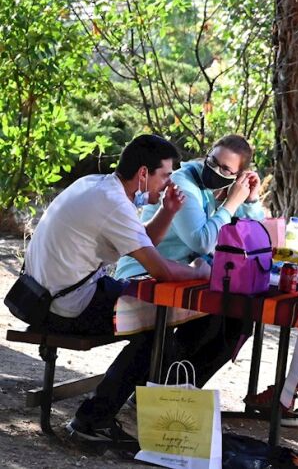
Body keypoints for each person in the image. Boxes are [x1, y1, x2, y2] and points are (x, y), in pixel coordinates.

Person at [17, 134, 211, 448]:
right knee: (156, 330)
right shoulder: (113, 203)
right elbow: (160, 269)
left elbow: (141, 243)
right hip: (64, 307)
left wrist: (168, 211)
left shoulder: (97, 186)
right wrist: (200, 273)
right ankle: (93, 421)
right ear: (144, 173)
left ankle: (118, 411)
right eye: (165, 175)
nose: (168, 184)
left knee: (155, 320)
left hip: (45, 296)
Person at [114, 134, 264, 390]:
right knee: (209, 321)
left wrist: (250, 201)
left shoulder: (220, 190)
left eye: (225, 169)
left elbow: (250, 236)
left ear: (238, 176)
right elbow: (201, 241)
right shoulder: (183, 183)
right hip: (147, 272)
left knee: (239, 324)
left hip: (186, 277)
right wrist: (231, 204)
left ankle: (177, 392)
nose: (215, 170)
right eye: (213, 161)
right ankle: (158, 389)